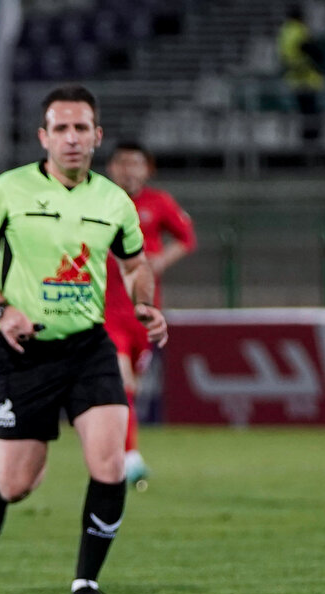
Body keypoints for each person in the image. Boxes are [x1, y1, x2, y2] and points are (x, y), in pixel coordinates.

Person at [0, 86, 168, 594]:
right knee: (21, 481)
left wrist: (144, 301)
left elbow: (136, 263)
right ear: (43, 137)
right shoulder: (9, 190)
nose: (72, 139)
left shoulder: (113, 201)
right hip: (25, 349)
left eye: (82, 129)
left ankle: (86, 584)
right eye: (61, 129)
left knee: (110, 463)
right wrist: (2, 309)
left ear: (96, 137)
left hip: (89, 346)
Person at [103, 141, 196, 489]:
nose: (128, 169)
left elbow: (186, 238)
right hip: (103, 310)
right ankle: (131, 458)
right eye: (122, 163)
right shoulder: (98, 200)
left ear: (148, 169)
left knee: (131, 387)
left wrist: (160, 261)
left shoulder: (159, 203)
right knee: (121, 379)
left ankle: (118, 450)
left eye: (135, 163)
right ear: (111, 168)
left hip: (143, 311)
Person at [278, 5, 324, 144]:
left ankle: (306, 139)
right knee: (310, 113)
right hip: (306, 79)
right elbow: (310, 50)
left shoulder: (284, 31)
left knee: (303, 113)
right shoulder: (298, 30)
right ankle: (311, 141)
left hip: (293, 78)